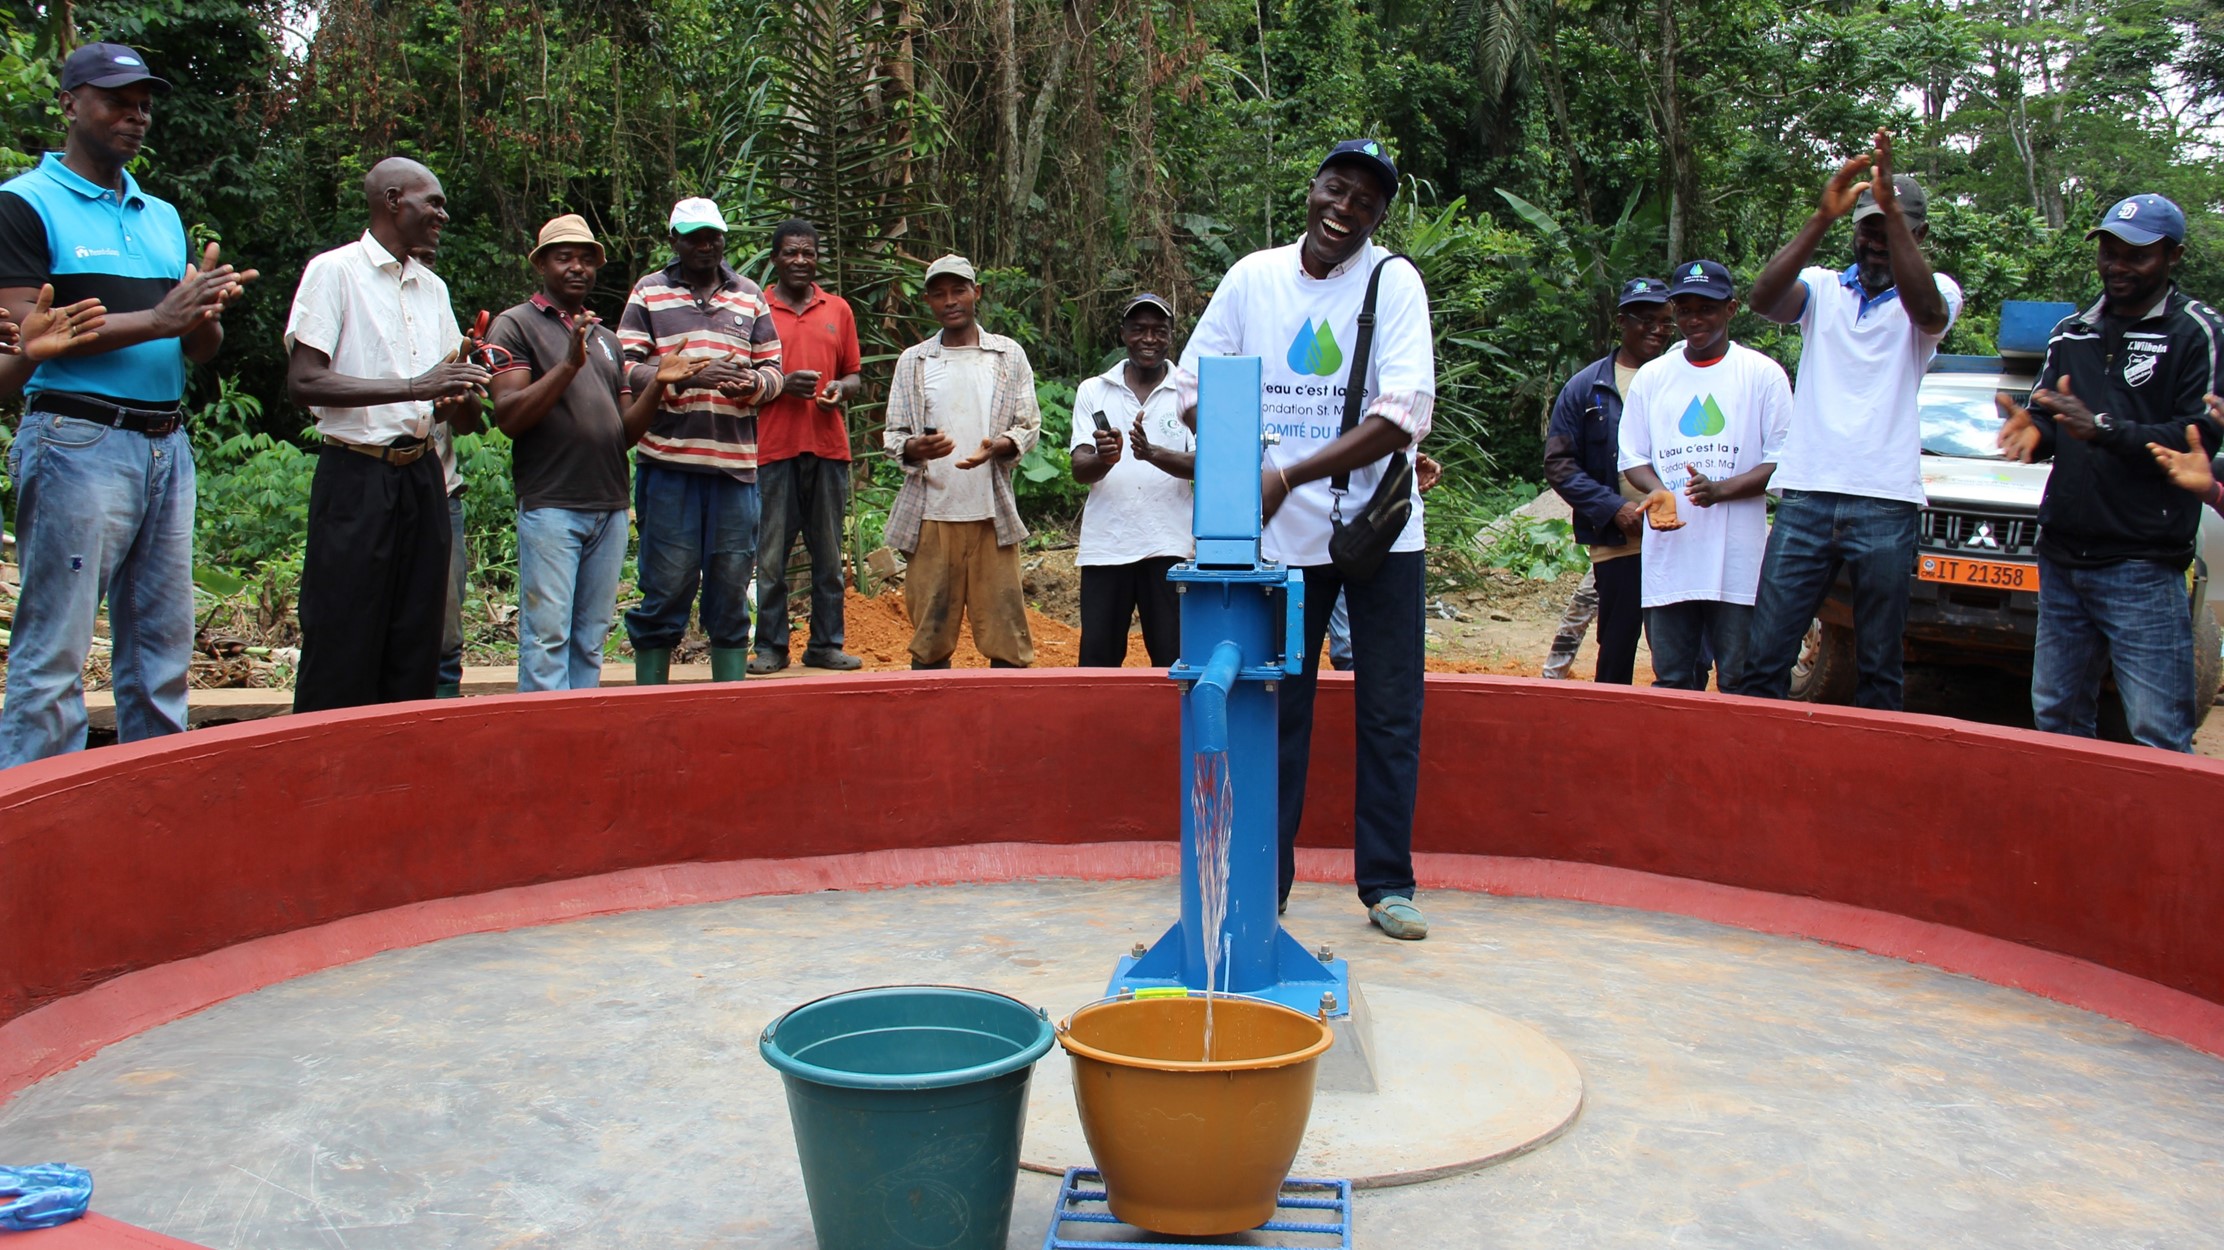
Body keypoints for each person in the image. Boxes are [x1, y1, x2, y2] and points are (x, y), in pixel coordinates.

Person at [1176, 139, 1434, 940]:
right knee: (1278, 708)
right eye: (1336, 188)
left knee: (1391, 709)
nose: (1344, 208)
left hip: (1378, 536)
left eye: (1364, 200)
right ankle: (1267, 879)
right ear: (1313, 188)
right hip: (1280, 545)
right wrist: (1246, 458)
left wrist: (1285, 472)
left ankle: (1387, 885)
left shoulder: (1394, 283)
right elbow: (1192, 390)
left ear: (1380, 215)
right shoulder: (1254, 278)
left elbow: (1401, 414)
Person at [0, 43, 255, 765]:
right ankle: (32, 830)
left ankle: (155, 819)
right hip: (76, 440)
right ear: (70, 103)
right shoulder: (23, 204)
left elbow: (197, 347)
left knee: (160, 656)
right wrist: (162, 318)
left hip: (165, 446)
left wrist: (202, 312)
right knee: (55, 655)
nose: (135, 115)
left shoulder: (160, 215)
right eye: (116, 99)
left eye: (144, 103)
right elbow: (27, 330)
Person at [1734, 130, 1961, 708]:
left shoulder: (1937, 293)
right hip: (1807, 494)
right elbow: (1762, 299)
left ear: (1919, 235)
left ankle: (1869, 784)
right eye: (1869, 229)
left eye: (1895, 231)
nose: (1879, 242)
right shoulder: (1822, 288)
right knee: (1765, 658)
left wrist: (1890, 211)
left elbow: (1928, 312)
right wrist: (1820, 217)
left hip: (1884, 501)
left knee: (1880, 667)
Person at [1997, 194, 2224, 753]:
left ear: (2172, 256)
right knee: (2057, 720)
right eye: (2110, 251)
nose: (2118, 266)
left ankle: (2165, 842)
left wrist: (2102, 427)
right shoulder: (2073, 331)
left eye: (2136, 255)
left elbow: (2198, 439)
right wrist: (2037, 432)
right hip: (2062, 558)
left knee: (2157, 734)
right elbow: (2054, 416)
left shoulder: (2197, 332)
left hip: (2142, 564)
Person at [285, 158, 485, 712]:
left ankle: (400, 777)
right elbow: (304, 381)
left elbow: (446, 403)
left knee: (416, 636)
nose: (443, 213)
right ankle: (326, 774)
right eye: (434, 201)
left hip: (423, 478)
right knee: (343, 631)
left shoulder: (432, 289)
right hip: (357, 475)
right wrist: (416, 385)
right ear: (393, 200)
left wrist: (456, 395)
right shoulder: (335, 272)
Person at [485, 215, 709, 692]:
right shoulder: (515, 325)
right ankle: (544, 739)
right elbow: (509, 415)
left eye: (587, 259)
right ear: (542, 263)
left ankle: (579, 739)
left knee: (589, 638)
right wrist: (568, 364)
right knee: (547, 636)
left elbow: (623, 432)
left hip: (607, 508)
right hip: (551, 504)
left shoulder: (606, 340)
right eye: (564, 257)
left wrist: (659, 386)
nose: (577, 268)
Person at [617, 197, 782, 684]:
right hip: (668, 466)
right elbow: (624, 366)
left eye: (712, 236)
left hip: (734, 469)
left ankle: (728, 704)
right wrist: (685, 377)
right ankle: (652, 704)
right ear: (674, 241)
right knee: (666, 587)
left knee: (731, 589)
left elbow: (774, 368)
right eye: (693, 236)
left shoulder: (749, 295)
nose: (705, 245)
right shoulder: (649, 292)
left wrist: (752, 385)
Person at [1618, 261, 1793, 690]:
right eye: (1684, 309)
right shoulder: (1653, 377)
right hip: (1671, 558)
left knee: (1739, 679)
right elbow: (1632, 457)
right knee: (1674, 679)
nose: (1694, 319)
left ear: (1731, 309)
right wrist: (1659, 491)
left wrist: (1722, 491)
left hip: (1738, 564)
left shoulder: (1762, 374)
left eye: (1707, 308)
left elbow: (1784, 459)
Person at [882, 254, 1042, 668]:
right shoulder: (914, 361)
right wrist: (915, 448)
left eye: (959, 290)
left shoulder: (1007, 355)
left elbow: (1028, 424)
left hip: (992, 515)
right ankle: (930, 726)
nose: (950, 301)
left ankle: (1007, 728)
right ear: (929, 302)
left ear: (977, 293)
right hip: (932, 516)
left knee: (1006, 636)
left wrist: (1000, 446)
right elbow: (893, 435)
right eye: (939, 294)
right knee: (929, 637)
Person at [1541, 276, 1675, 684]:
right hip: (1619, 542)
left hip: (1678, 537)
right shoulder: (1587, 388)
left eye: (1666, 321)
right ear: (1621, 321)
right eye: (1645, 319)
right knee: (1617, 640)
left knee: (1680, 643)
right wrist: (1612, 508)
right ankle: (1610, 727)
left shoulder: (1682, 379)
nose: (1657, 329)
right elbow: (1559, 463)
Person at [750, 219, 863, 674]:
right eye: (791, 252)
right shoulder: (756, 311)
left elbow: (855, 373)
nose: (801, 260)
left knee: (829, 556)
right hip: (772, 449)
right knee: (772, 557)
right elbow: (742, 381)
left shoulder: (838, 309)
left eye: (809, 252)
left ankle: (825, 644)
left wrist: (842, 387)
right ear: (775, 258)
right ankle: (772, 647)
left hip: (828, 448)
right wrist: (780, 387)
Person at [1070, 292, 1193, 667]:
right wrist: (1106, 459)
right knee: (1098, 661)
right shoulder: (1094, 389)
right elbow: (1079, 468)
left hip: (1170, 547)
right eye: (1139, 329)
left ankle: (1173, 729)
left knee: (1174, 660)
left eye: (1159, 330)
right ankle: (1096, 728)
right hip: (1108, 545)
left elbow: (1207, 465)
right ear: (1123, 334)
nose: (1149, 339)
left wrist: (1153, 454)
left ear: (1171, 335)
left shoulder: (1190, 392)